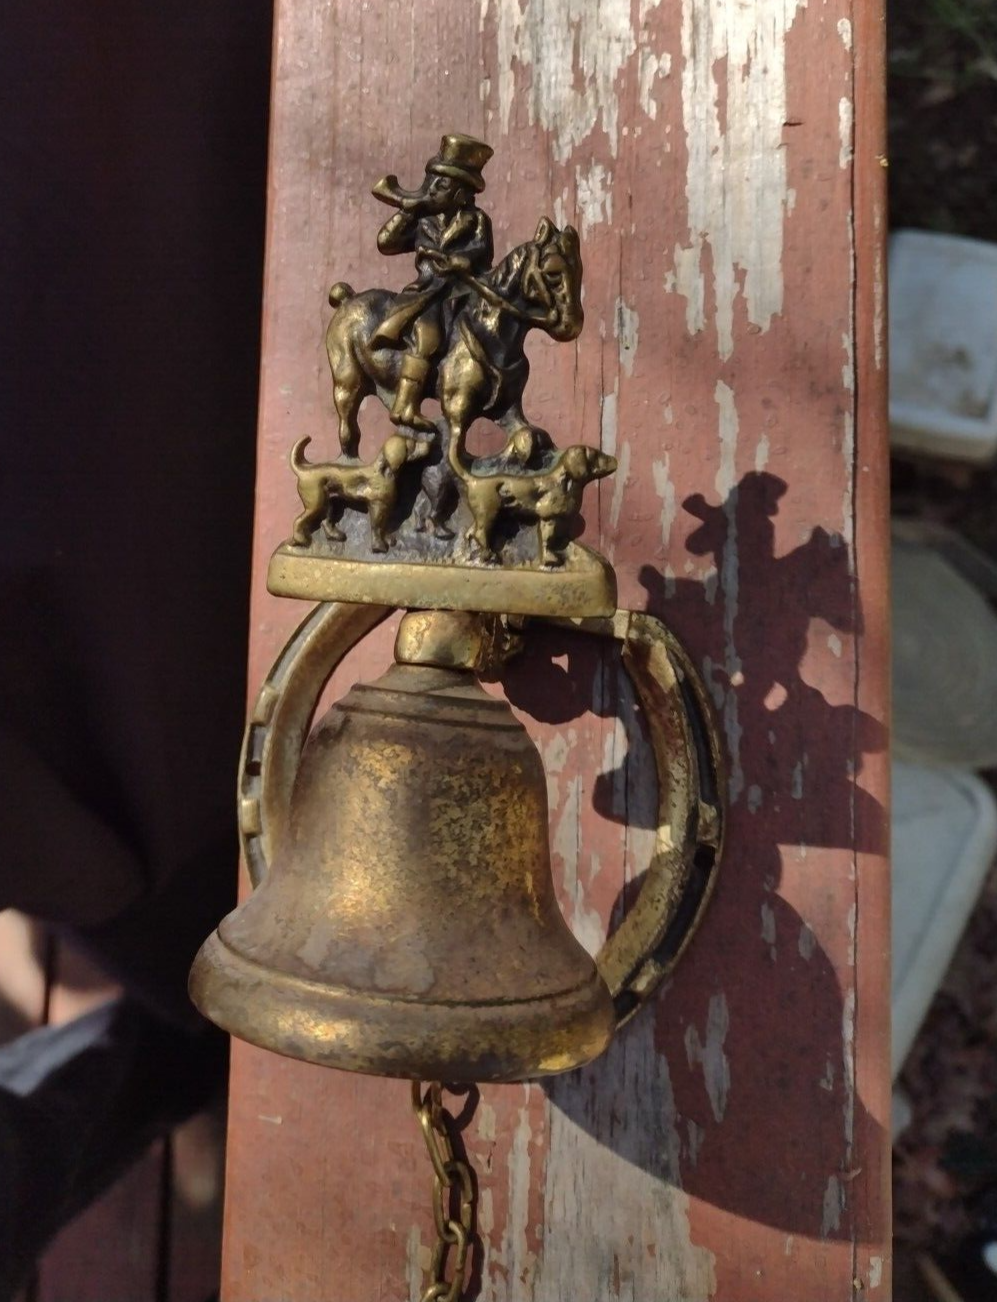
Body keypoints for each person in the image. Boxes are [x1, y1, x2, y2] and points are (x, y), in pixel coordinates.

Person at [372, 134, 494, 433]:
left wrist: (461, 261)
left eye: (443, 185)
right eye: (433, 183)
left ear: (462, 193)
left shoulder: (476, 220)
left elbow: (482, 252)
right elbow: (386, 243)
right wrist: (406, 211)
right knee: (429, 337)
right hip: (429, 292)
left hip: (464, 292)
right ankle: (405, 405)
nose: (434, 190)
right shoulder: (423, 220)